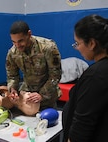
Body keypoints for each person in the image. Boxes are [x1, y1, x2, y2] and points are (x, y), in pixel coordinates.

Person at [62, 14, 108, 142]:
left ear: (92, 43)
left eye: (77, 43)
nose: (77, 48)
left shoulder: (95, 75)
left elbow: (83, 126)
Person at [6, 21, 62, 110]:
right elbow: (12, 76)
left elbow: (55, 75)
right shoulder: (13, 53)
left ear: (29, 34)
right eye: (14, 42)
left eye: (20, 41)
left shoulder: (47, 48)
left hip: (48, 97)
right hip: (27, 97)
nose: (17, 45)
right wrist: (13, 89)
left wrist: (41, 95)